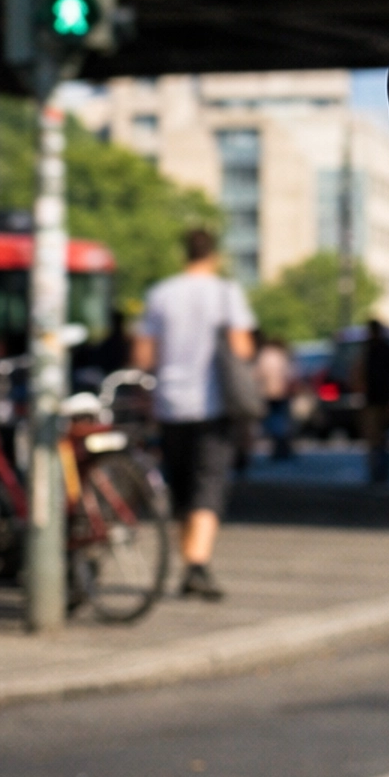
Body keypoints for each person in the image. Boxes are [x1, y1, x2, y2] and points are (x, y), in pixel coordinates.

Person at [132, 228, 254, 601]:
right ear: (213, 256)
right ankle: (196, 565)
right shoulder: (225, 293)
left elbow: (142, 356)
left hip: (170, 404)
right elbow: (242, 347)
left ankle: (190, 560)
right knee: (210, 483)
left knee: (182, 486)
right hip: (212, 403)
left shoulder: (161, 294)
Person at [361, 318, 389, 485]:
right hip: (384, 397)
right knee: (382, 437)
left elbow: (361, 373)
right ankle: (381, 470)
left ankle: (378, 471)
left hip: (374, 398)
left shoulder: (370, 349)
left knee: (375, 437)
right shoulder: (386, 349)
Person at [253, 335, 295, 463]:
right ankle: (283, 447)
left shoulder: (263, 355)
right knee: (282, 420)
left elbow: (256, 373)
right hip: (281, 392)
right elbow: (290, 373)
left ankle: (278, 448)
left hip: (266, 393)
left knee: (271, 421)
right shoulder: (281, 355)